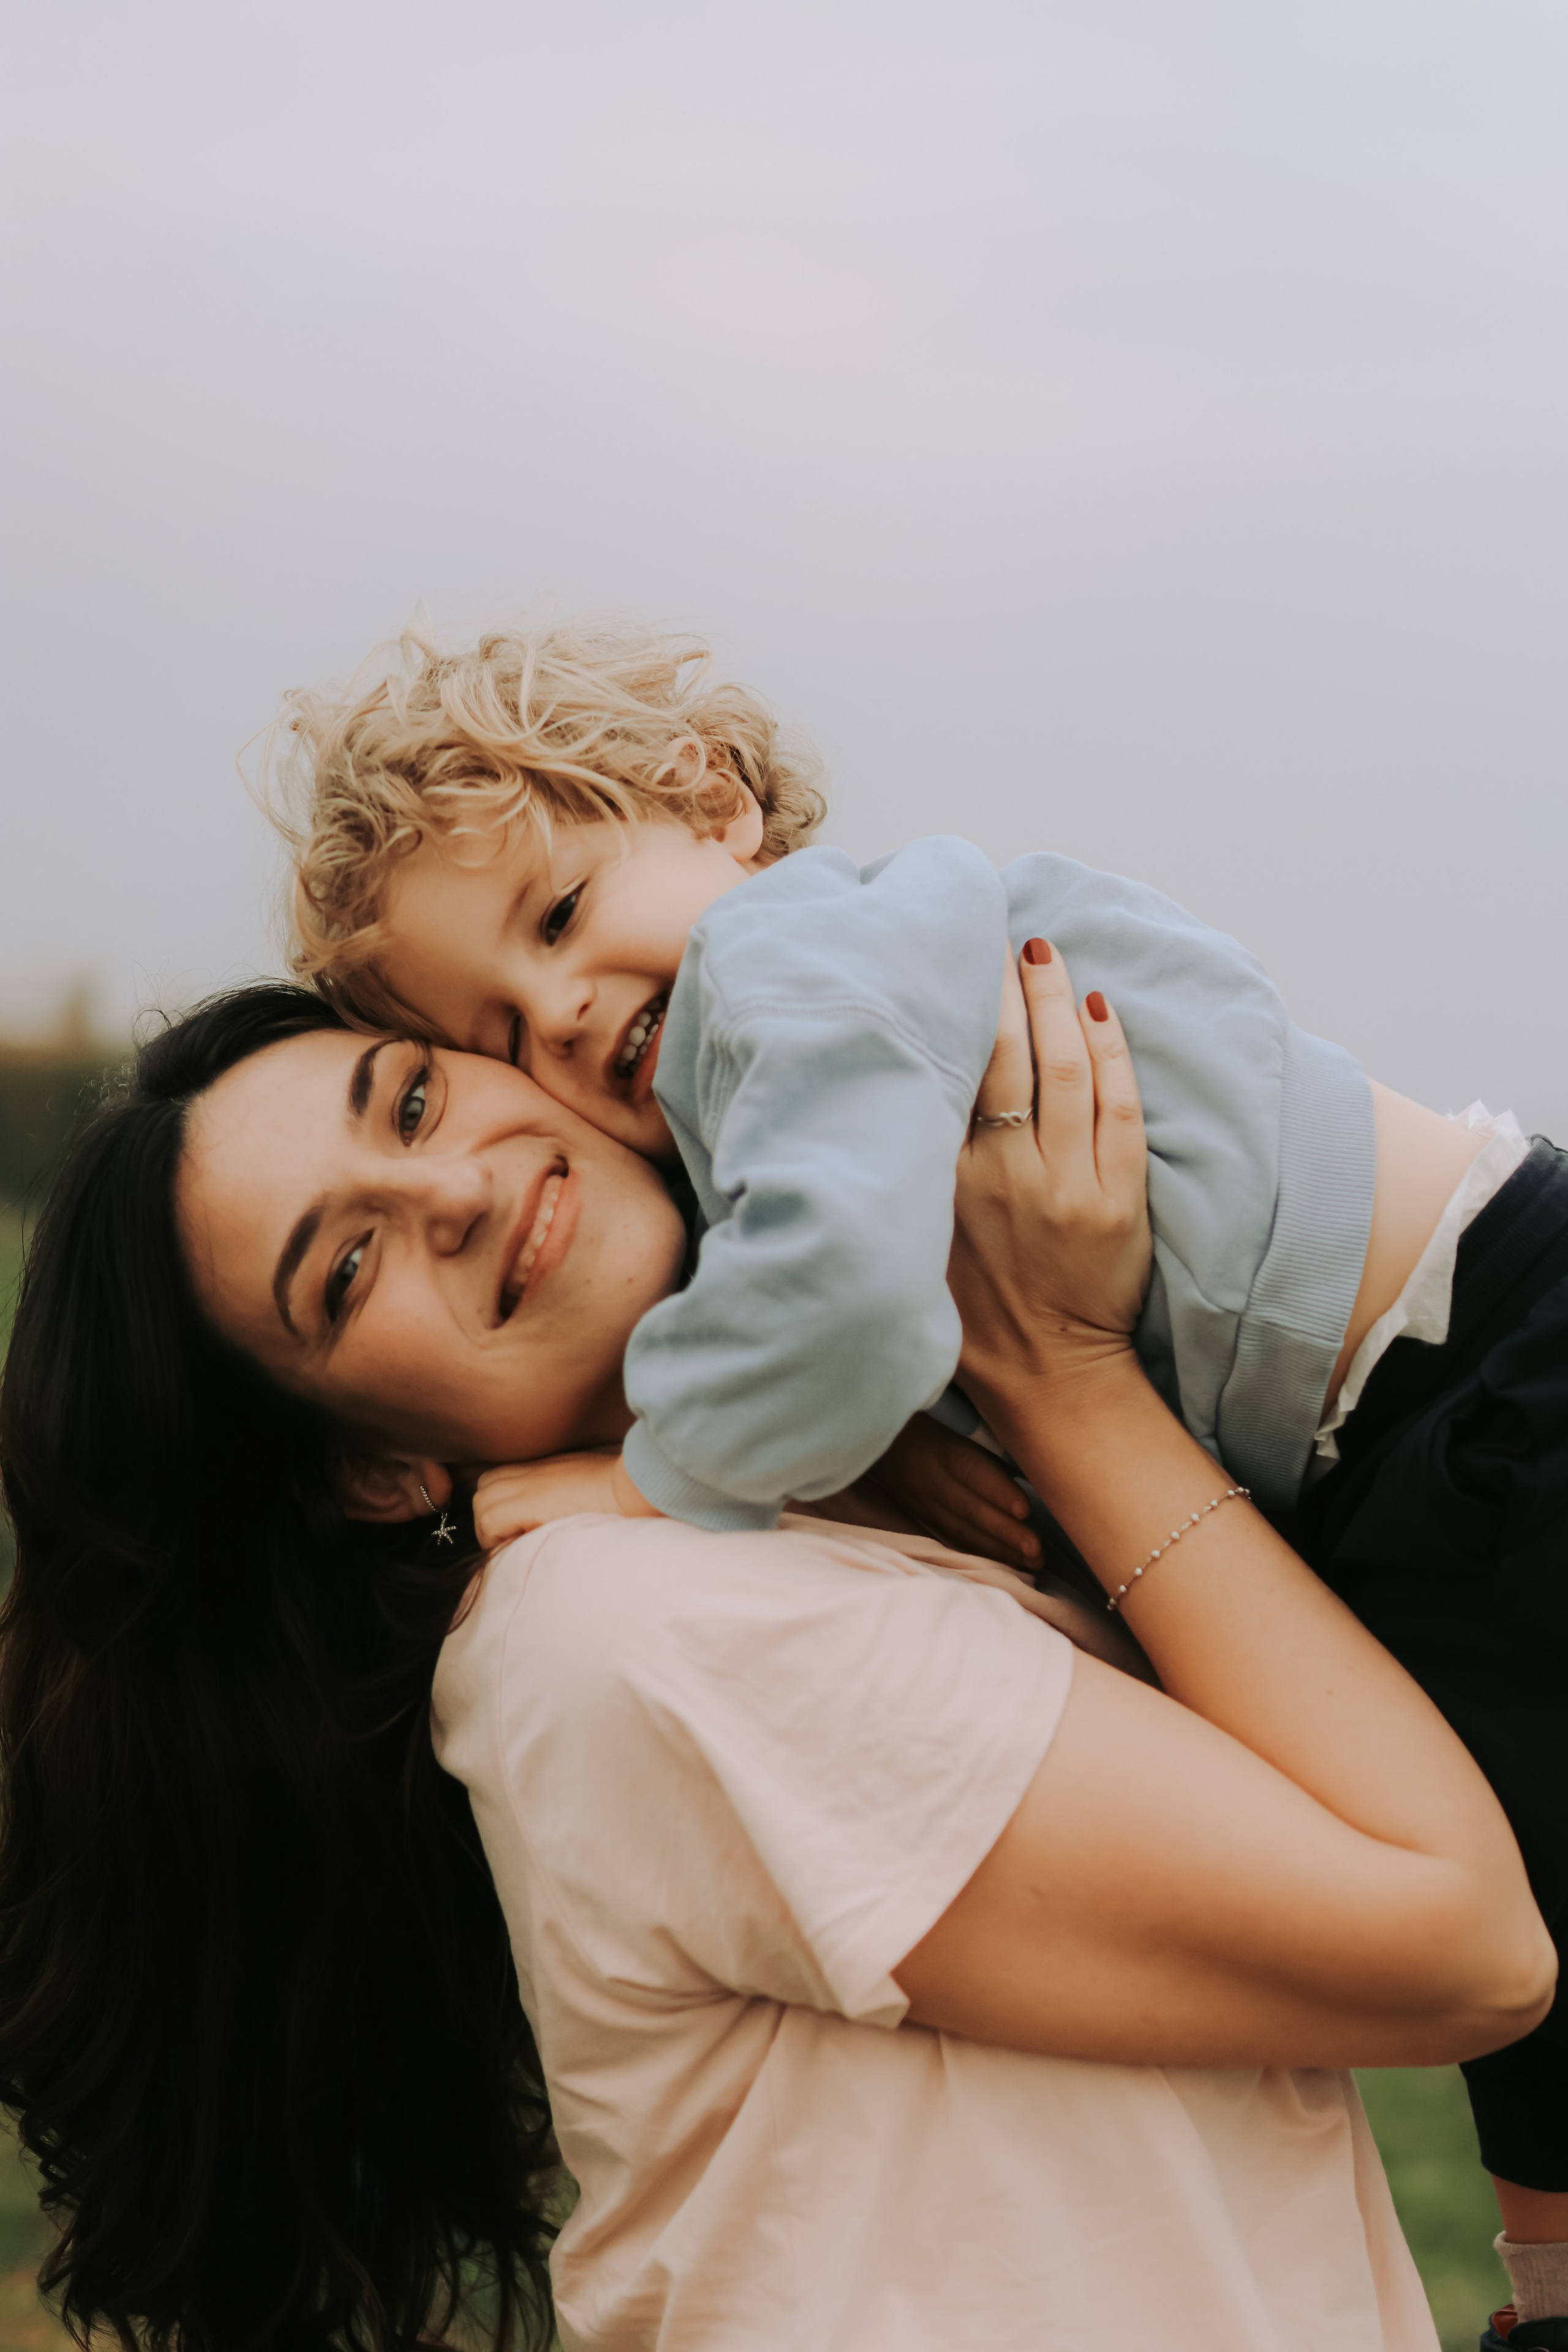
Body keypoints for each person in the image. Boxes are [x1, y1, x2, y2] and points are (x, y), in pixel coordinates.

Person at [276, 620, 1568, 2340]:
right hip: (1397, 1419)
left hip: (1482, 1349)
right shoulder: (770, 1080)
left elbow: (858, 1295)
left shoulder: (791, 970)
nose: (570, 1012)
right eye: (508, 1021)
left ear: (714, 800)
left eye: (563, 917)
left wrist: (654, 1485)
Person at [0, 971, 1550, 2346]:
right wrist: (1060, 1375)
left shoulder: (766, 1530)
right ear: (374, 1475)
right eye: (344, 1273)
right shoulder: (631, 1635)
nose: (449, 1192)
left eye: (408, 1100)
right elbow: (1462, 1942)